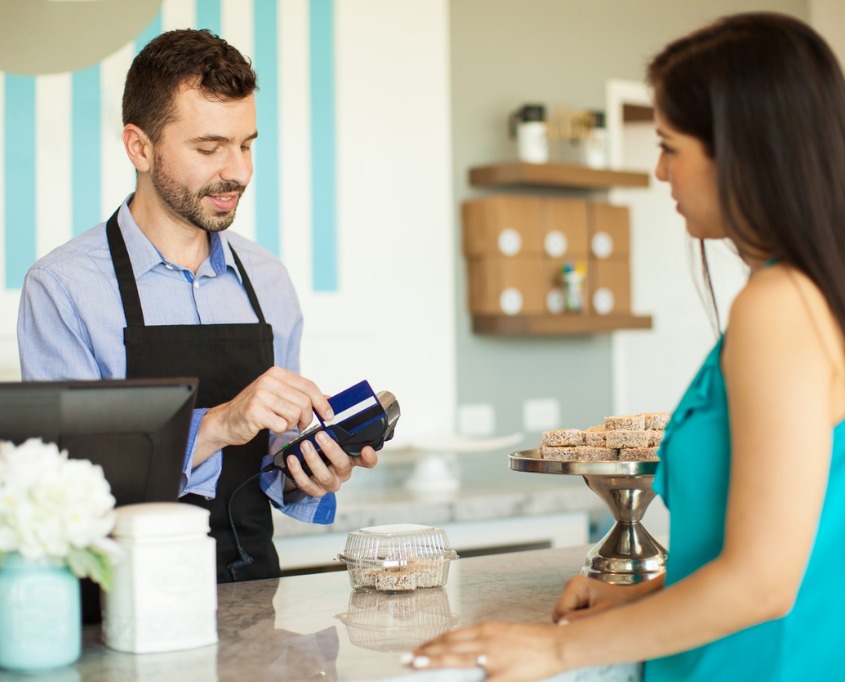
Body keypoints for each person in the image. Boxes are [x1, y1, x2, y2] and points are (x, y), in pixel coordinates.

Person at [408, 12, 845, 680]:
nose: (659, 170)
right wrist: (640, 595)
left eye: (670, 145)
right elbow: (795, 542)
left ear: (739, 150)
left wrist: (553, 649)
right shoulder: (807, 294)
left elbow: (764, 583)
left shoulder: (777, 306)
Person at [16, 28, 378, 583]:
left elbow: (269, 466)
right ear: (140, 147)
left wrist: (311, 467)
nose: (237, 171)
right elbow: (61, 489)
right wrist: (220, 422)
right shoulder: (62, 287)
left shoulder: (268, 279)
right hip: (121, 604)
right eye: (209, 149)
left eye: (247, 144)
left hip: (252, 592)